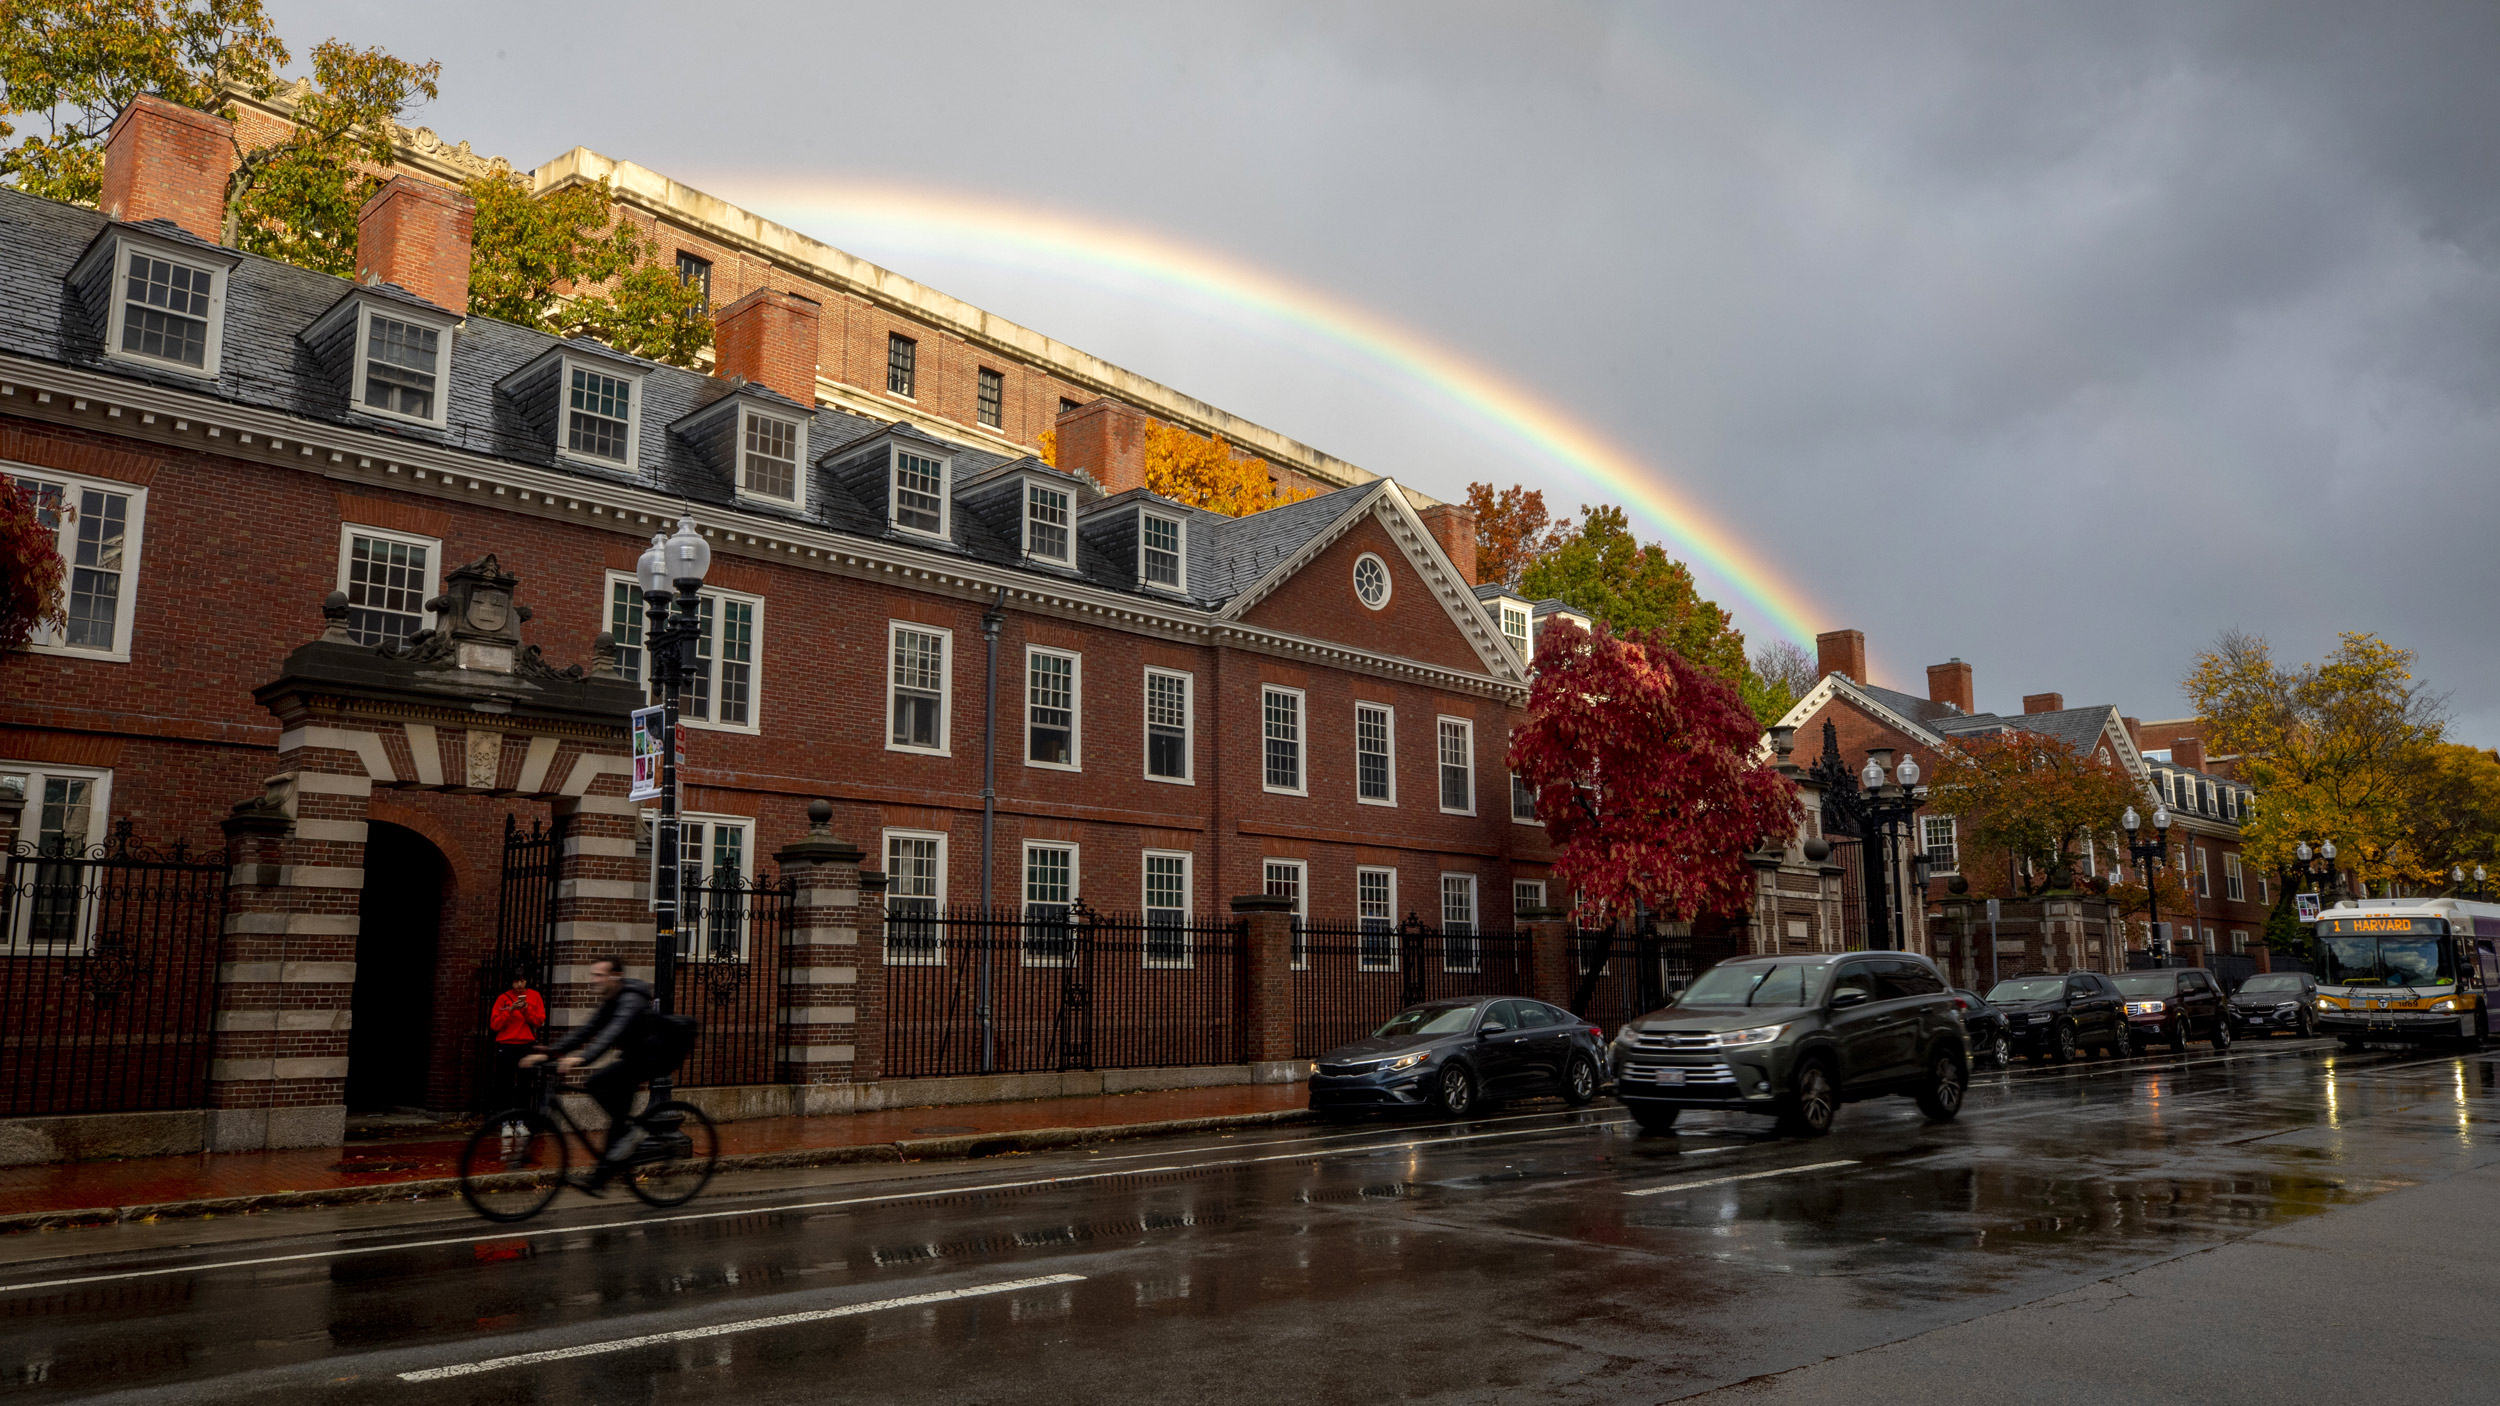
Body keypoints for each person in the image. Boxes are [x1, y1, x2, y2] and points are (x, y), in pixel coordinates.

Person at [521, 957, 679, 1195]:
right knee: (608, 1104)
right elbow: (587, 1030)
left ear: (615, 976)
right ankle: (605, 1171)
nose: (593, 980)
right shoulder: (611, 1001)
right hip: (632, 1058)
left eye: (599, 975)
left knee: (601, 1089)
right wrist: (550, 1053)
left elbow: (610, 1034)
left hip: (650, 1058)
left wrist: (581, 1059)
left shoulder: (630, 1000)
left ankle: (625, 1139)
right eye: (593, 975)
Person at [487, 968, 546, 1109]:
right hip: (507, 1044)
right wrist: (510, 1010)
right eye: (516, 981)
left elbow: (539, 1021)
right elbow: (494, 1025)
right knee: (504, 1082)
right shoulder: (503, 998)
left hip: (526, 1043)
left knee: (525, 1082)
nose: (520, 984)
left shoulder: (535, 996)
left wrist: (526, 1009)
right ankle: (505, 1119)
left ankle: (521, 1119)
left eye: (522, 981)